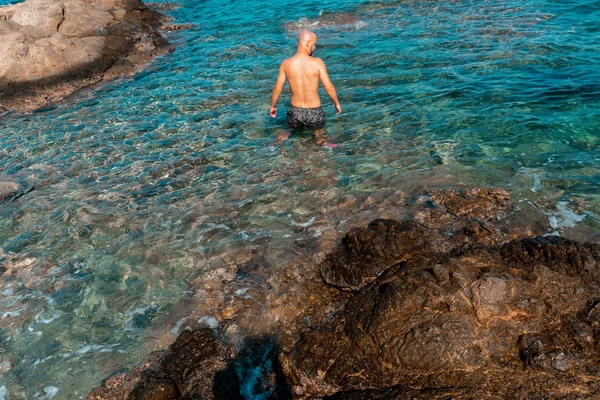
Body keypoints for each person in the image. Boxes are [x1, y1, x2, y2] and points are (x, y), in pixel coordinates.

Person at [270, 30, 341, 145]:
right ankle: (326, 149)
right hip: (314, 112)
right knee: (319, 134)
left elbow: (277, 89)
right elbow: (329, 87)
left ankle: (274, 145)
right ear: (308, 43)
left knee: (287, 131)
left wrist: (273, 106)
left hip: (295, 111)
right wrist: (336, 103)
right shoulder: (317, 63)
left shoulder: (286, 63)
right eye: (314, 44)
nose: (315, 47)